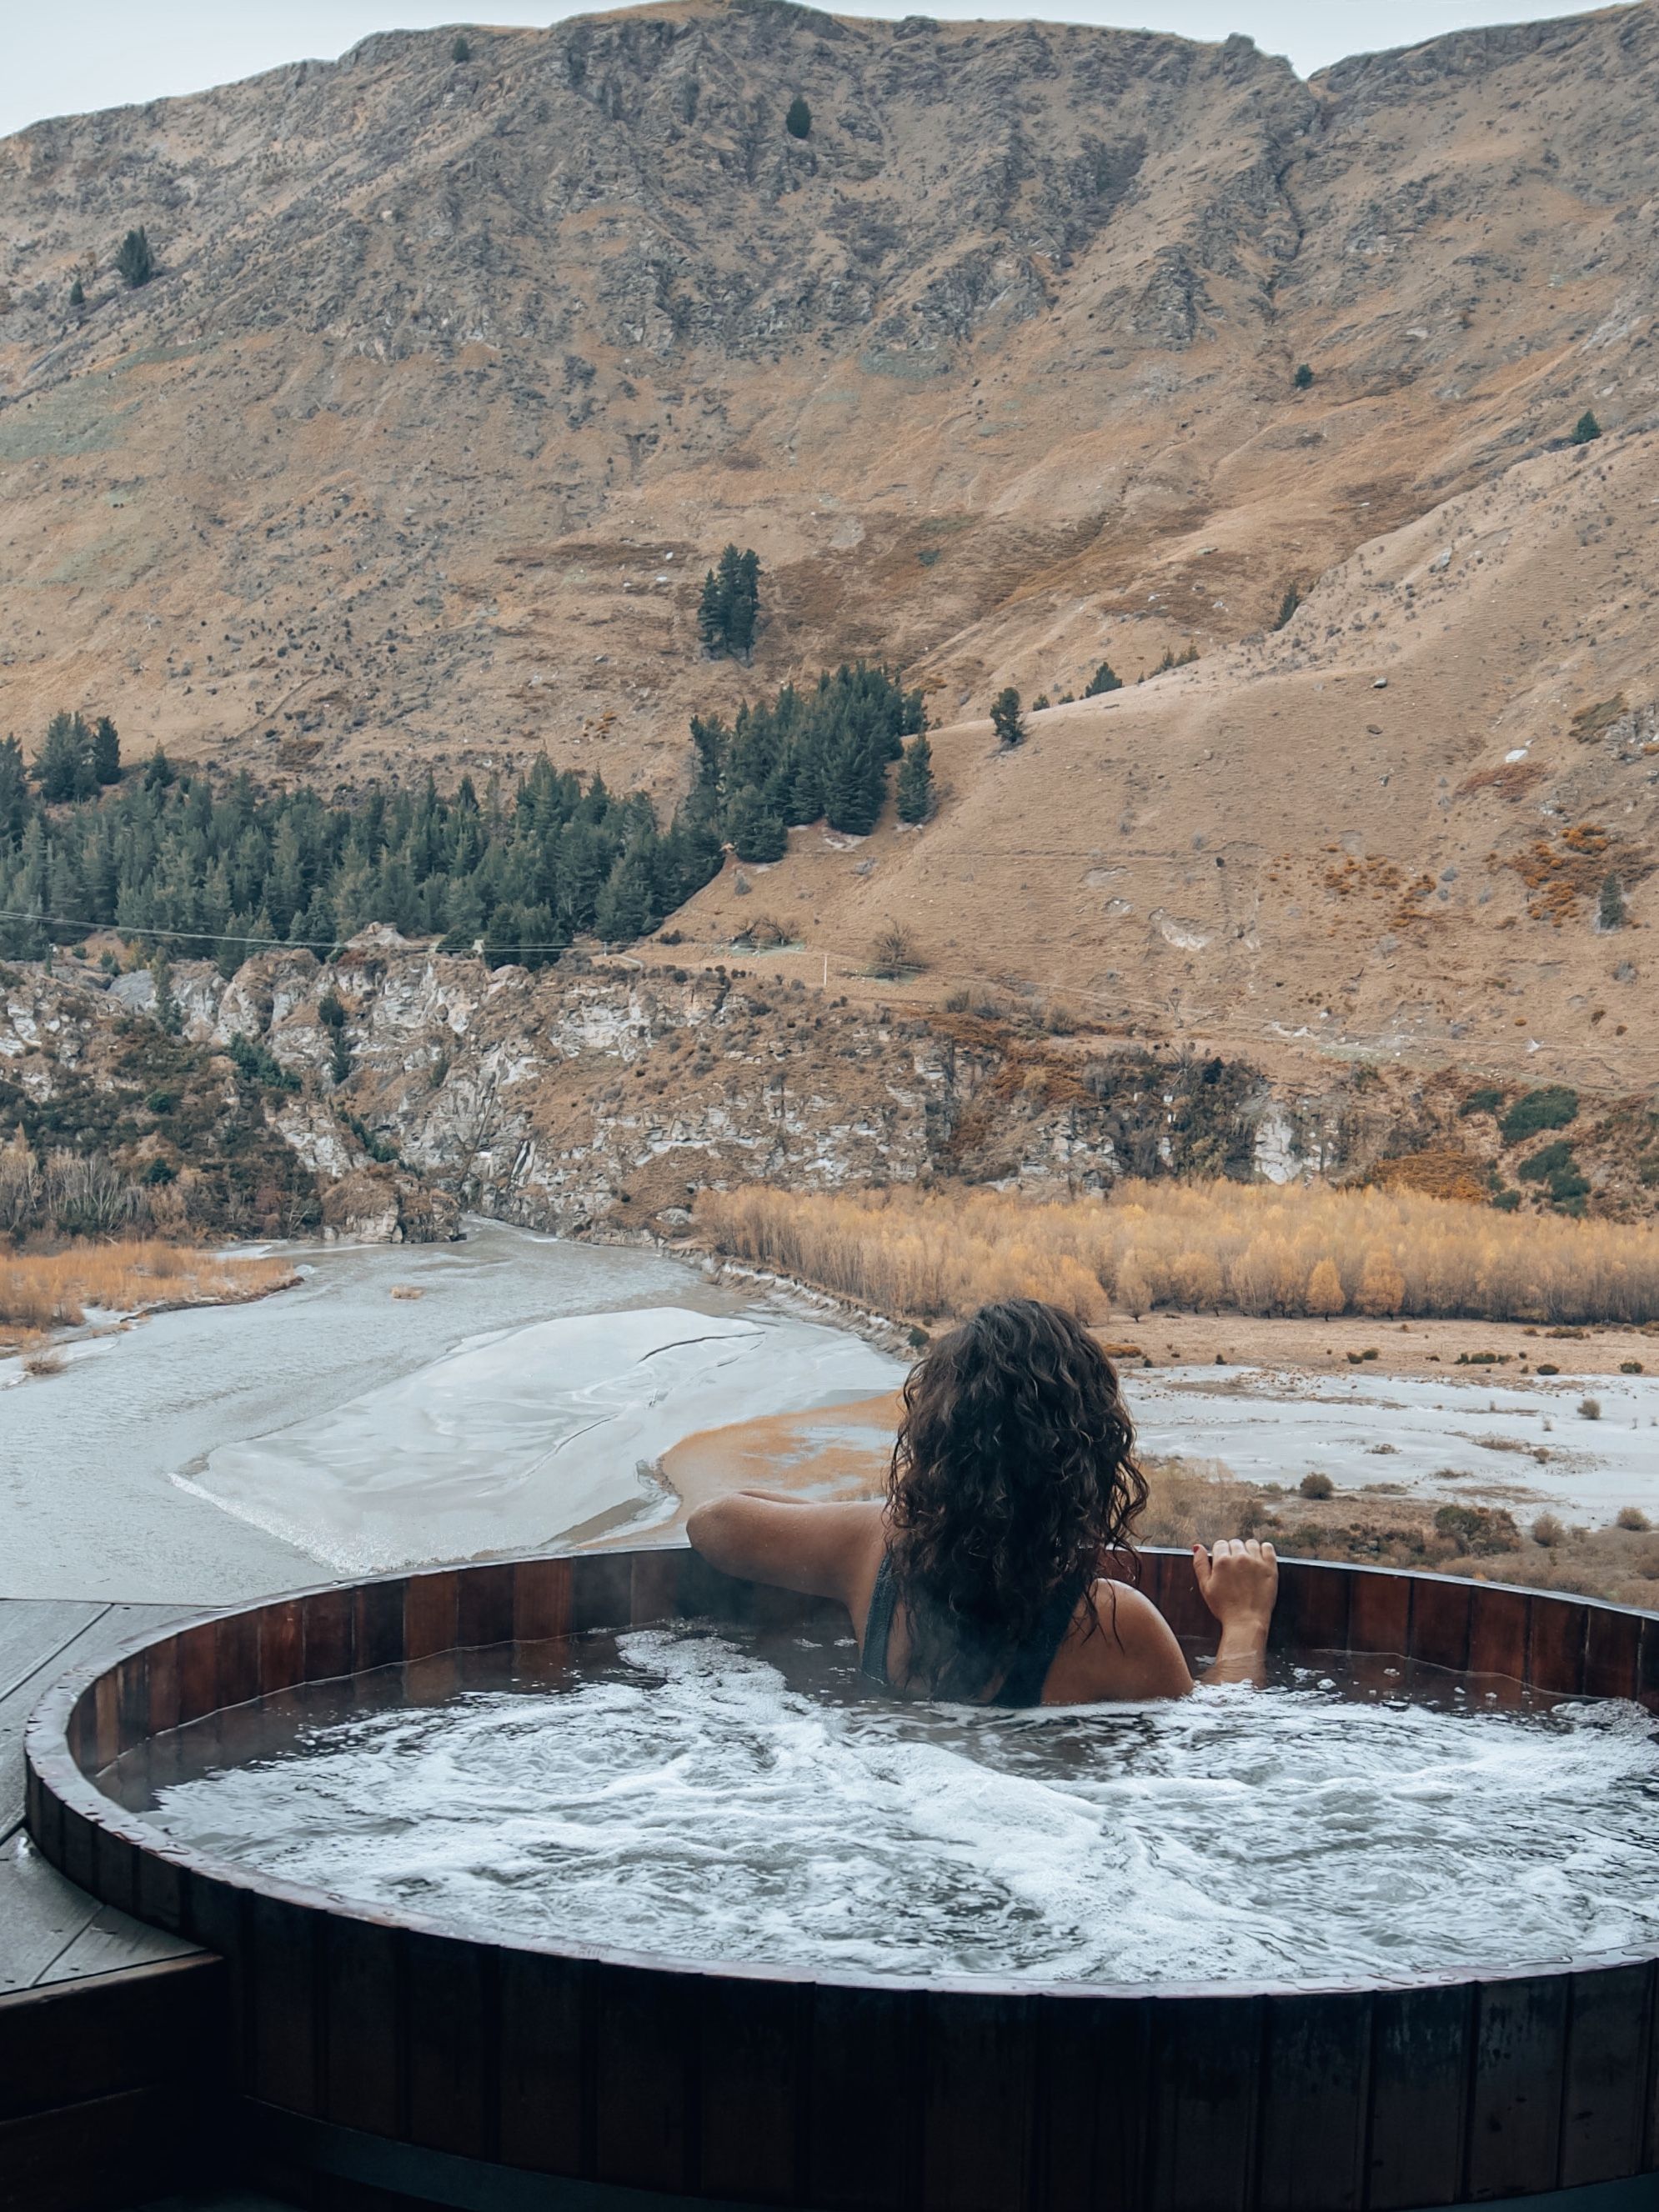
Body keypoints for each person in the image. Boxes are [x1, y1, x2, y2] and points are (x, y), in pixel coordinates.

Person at [686, 1297, 1278, 1705]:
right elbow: (1217, 1738)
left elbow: (713, 1523)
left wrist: (870, 1518)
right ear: (1089, 1459)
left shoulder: (870, 1550)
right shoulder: (1119, 1625)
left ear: (935, 1440)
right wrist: (1247, 1623)